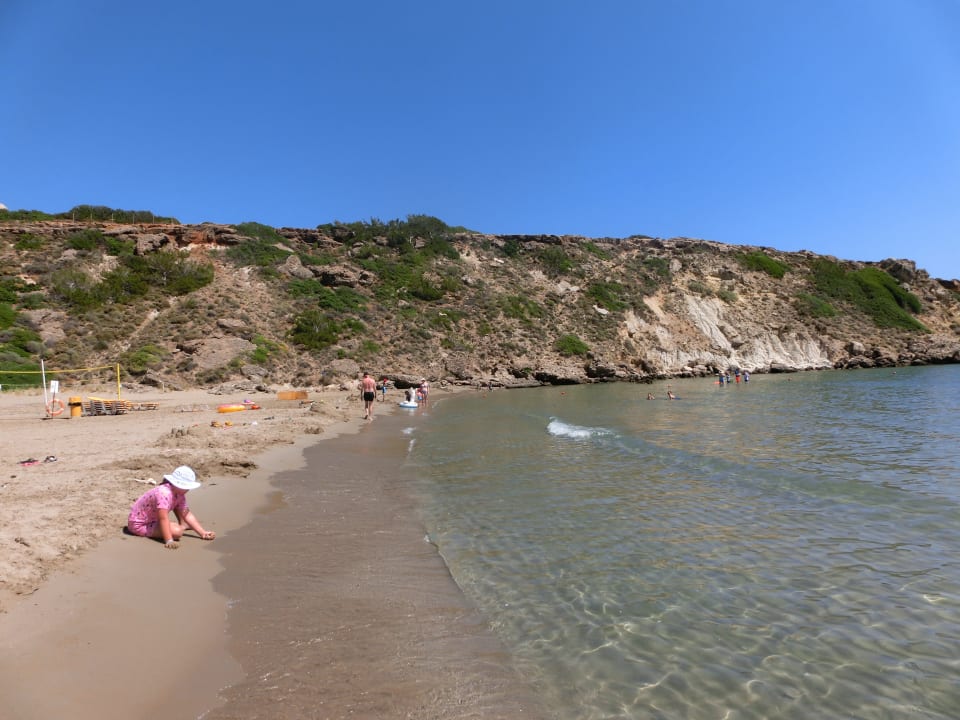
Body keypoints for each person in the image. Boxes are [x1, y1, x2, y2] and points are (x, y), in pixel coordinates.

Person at [127, 466, 215, 549]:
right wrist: (169, 540)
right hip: (139, 525)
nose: (188, 490)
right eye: (187, 487)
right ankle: (175, 529)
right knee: (177, 532)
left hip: (153, 520)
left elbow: (186, 513)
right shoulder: (164, 493)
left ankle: (182, 525)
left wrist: (203, 533)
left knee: (177, 517)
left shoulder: (179, 494)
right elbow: (163, 518)